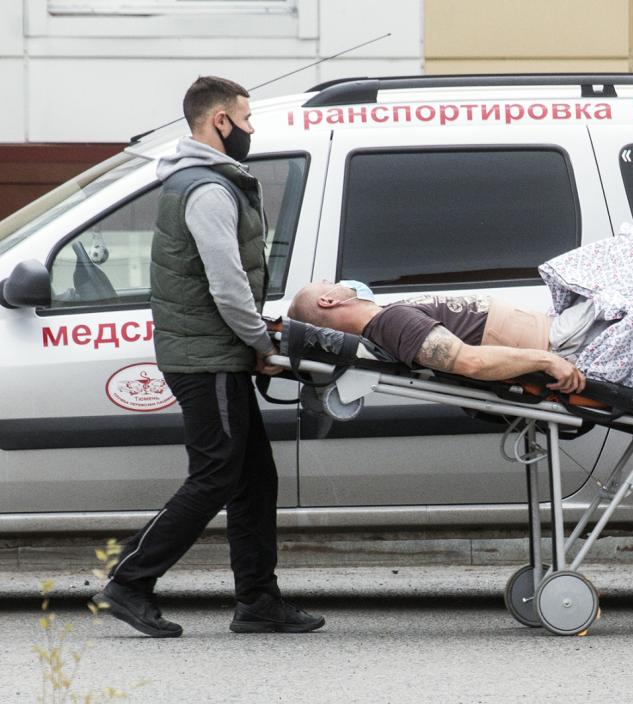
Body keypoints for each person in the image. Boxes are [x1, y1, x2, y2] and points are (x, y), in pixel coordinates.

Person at [93, 76, 324, 637]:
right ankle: (129, 582)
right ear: (220, 120)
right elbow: (227, 283)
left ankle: (258, 601)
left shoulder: (203, 181)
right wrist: (262, 343)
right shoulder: (208, 190)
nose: (250, 129)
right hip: (206, 357)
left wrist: (254, 342)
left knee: (254, 478)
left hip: (213, 352)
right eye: (246, 119)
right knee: (217, 473)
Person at [286, 281, 595, 394]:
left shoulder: (388, 318)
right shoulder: (391, 323)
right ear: (328, 300)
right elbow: (470, 362)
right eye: (329, 282)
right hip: (565, 343)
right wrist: (548, 360)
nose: (340, 282)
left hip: (563, 333)